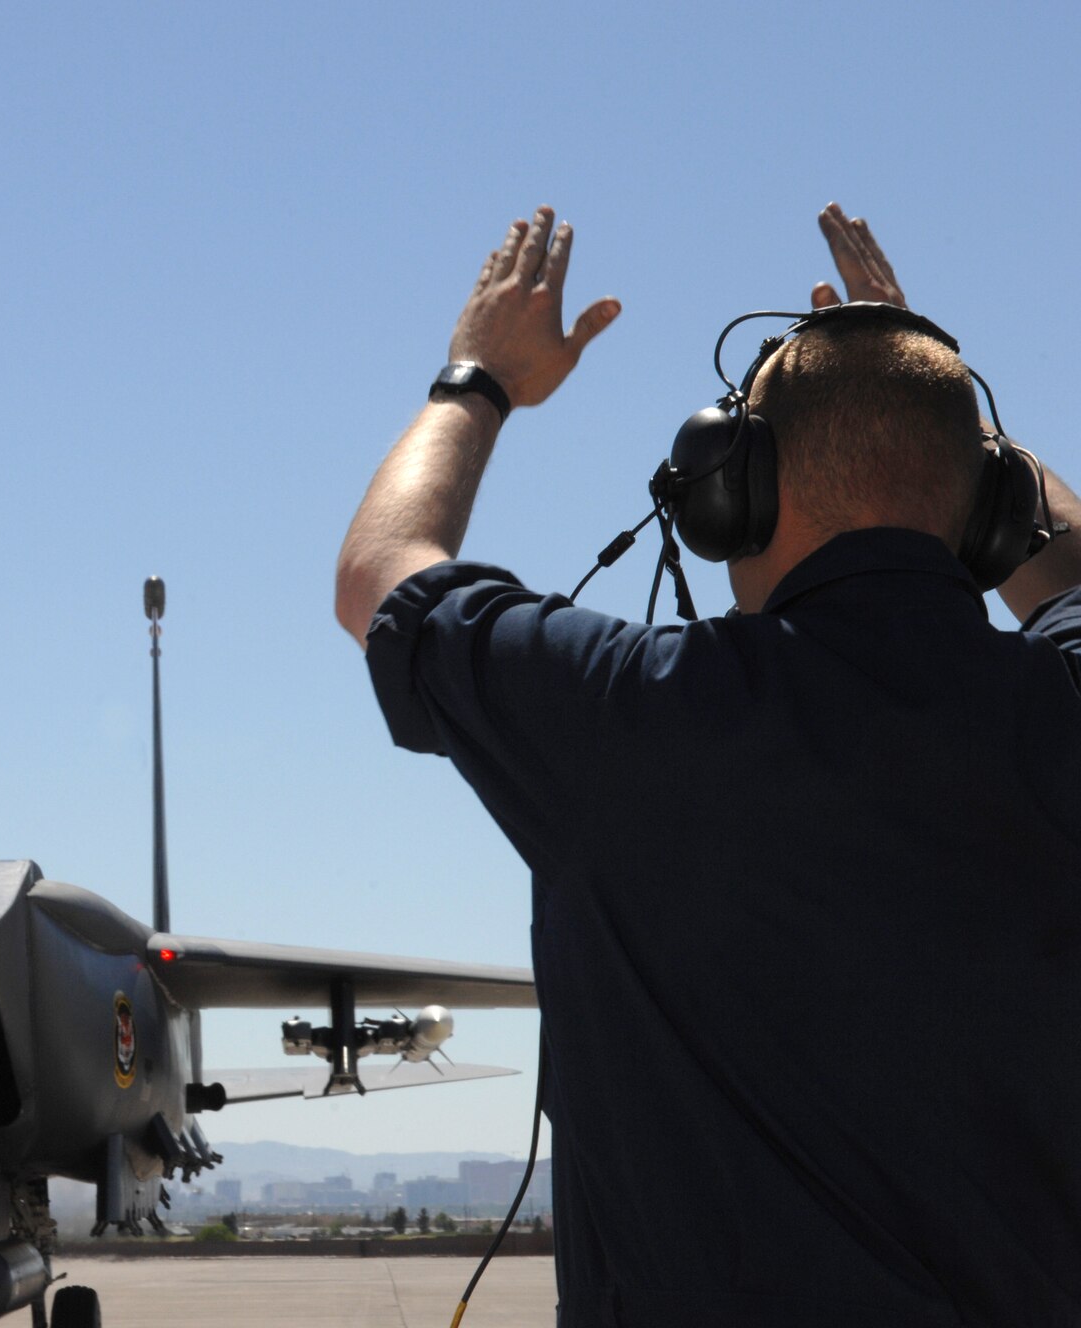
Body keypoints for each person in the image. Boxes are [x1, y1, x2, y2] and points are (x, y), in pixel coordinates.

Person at [334, 204, 1081, 1327]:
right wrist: (929, 379)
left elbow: (381, 572)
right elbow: (1065, 565)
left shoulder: (623, 717)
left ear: (729, 488)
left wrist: (476, 376)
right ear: (983, 507)